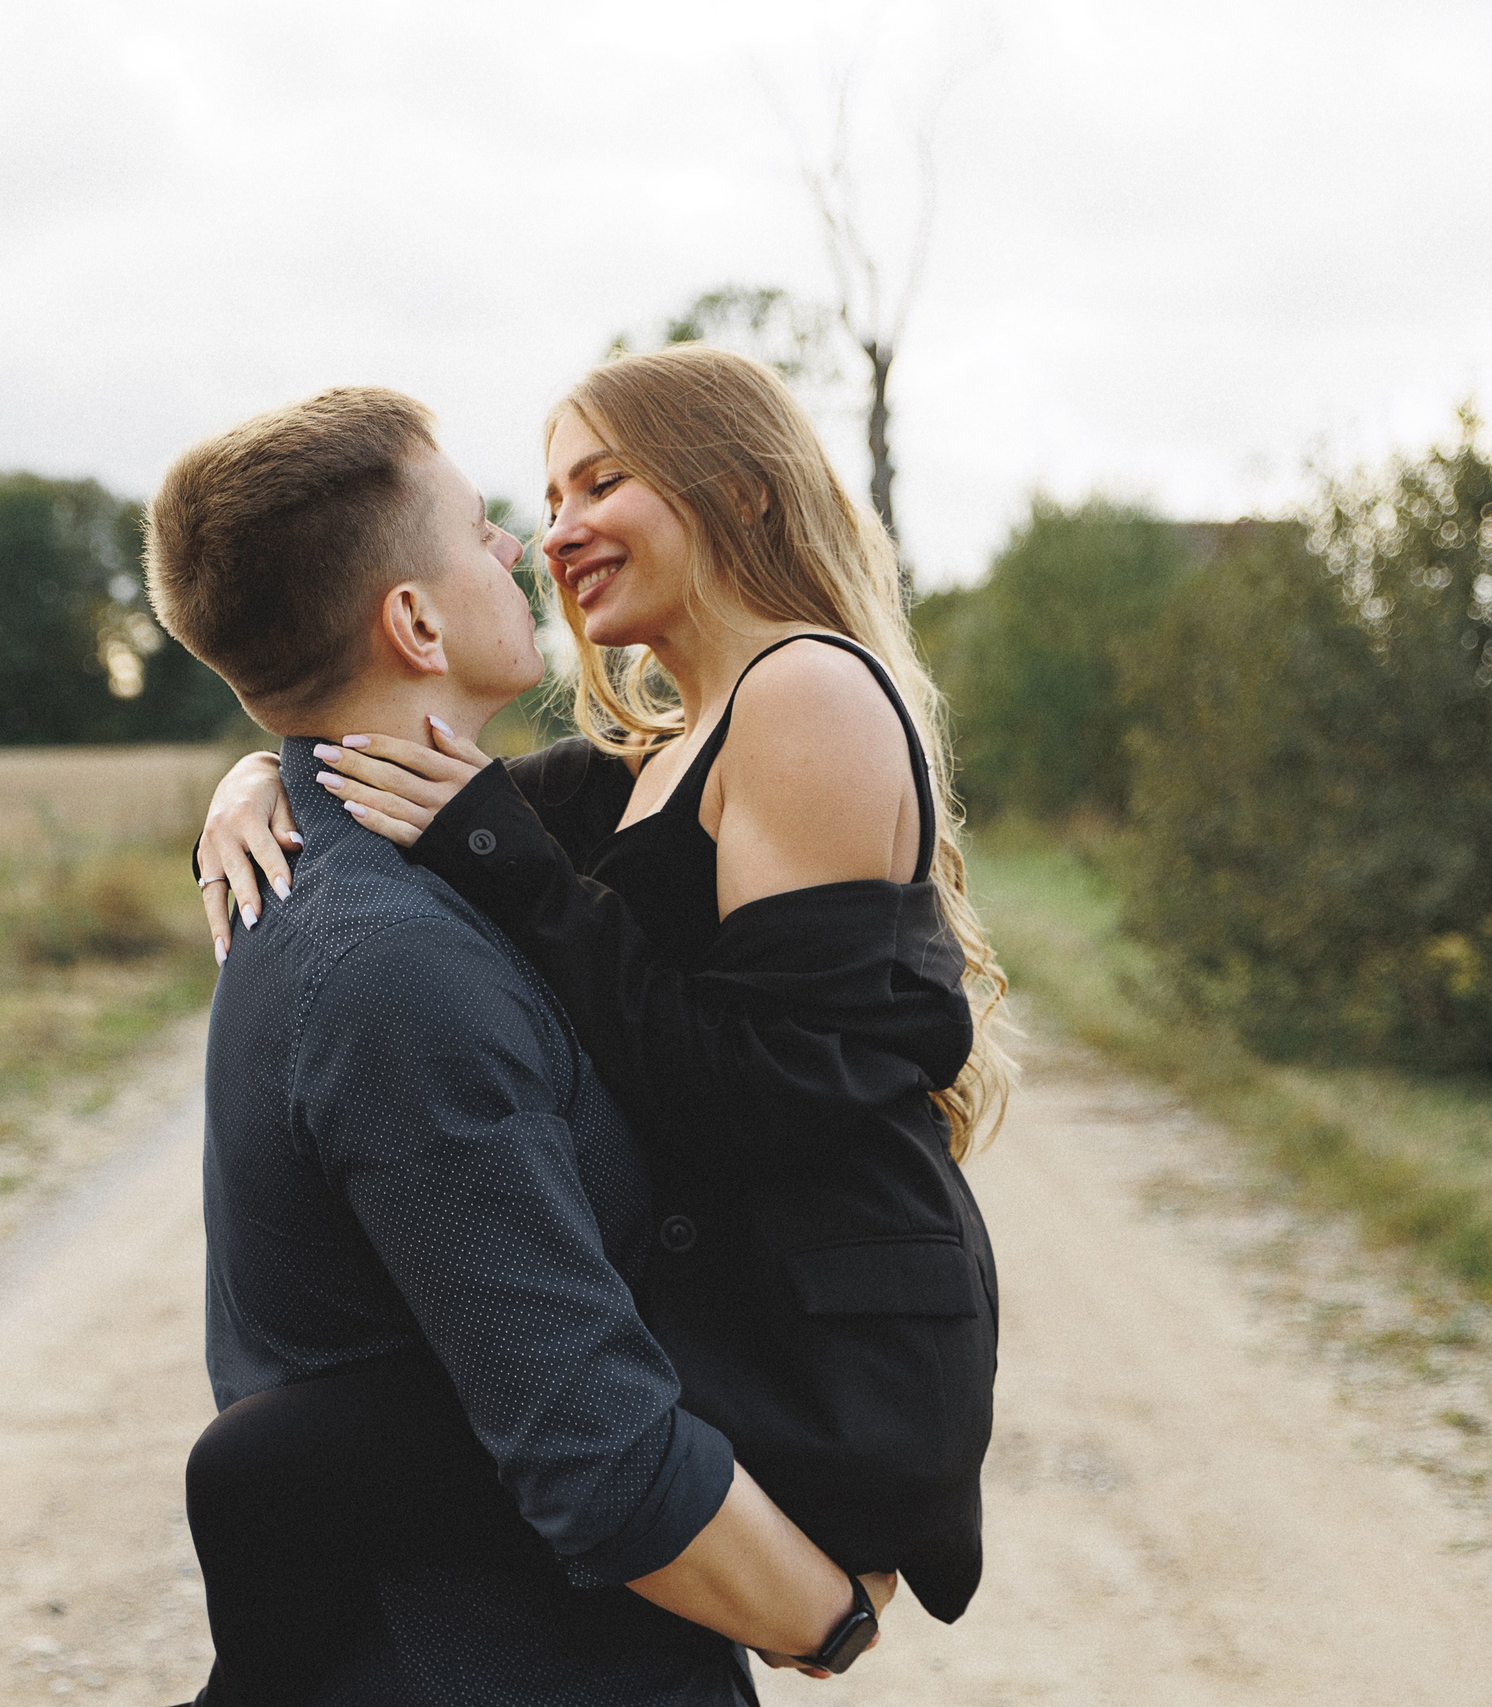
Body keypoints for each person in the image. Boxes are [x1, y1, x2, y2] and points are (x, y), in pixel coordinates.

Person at [187, 346, 1011, 1695]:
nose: (550, 532)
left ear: (737, 493)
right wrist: (268, 771)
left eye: (600, 482)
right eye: (539, 494)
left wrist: (817, 1611)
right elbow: (412, 760)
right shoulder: (660, 754)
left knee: (279, 1467)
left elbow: (769, 1091)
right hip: (751, 1308)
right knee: (283, 1463)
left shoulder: (803, 687)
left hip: (838, 1348)